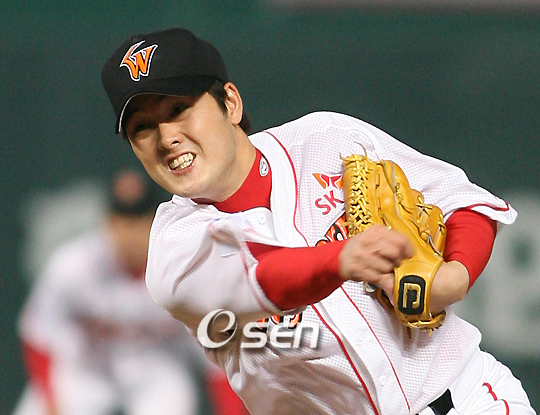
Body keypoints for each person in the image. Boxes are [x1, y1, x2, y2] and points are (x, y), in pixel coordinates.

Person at [100, 28, 536, 415]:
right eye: (142, 127)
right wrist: (341, 257)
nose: (166, 137)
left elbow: (461, 201)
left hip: (467, 398)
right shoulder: (173, 254)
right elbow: (268, 277)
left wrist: (455, 276)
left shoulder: (324, 139)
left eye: (179, 109)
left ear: (229, 103)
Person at [15, 169, 248, 415]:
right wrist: (50, 401)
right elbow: (38, 333)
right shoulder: (75, 265)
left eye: (139, 220)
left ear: (158, 221)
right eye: (121, 219)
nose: (129, 232)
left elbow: (220, 362)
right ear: (107, 222)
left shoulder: (189, 272)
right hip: (87, 369)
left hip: (157, 369)